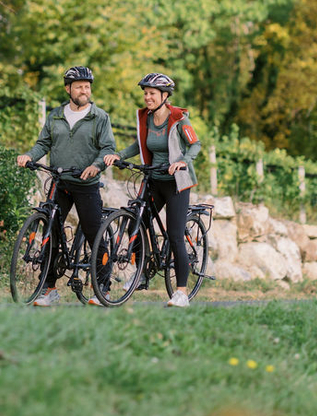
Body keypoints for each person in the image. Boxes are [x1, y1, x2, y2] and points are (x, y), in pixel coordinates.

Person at [17, 66, 115, 306]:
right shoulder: (55, 115)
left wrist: (96, 165)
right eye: (80, 86)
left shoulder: (99, 116)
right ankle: (48, 288)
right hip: (60, 182)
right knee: (50, 234)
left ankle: (104, 288)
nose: (85, 91)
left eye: (88, 86)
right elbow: (44, 143)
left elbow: (108, 149)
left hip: (86, 184)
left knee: (95, 234)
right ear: (68, 89)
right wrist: (30, 155)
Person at [103, 72, 201, 308]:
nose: (147, 97)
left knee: (175, 235)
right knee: (136, 219)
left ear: (165, 96)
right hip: (153, 179)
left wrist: (183, 161)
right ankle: (142, 272)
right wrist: (119, 155)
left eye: (152, 94)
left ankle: (181, 293)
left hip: (176, 182)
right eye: (145, 93)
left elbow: (195, 144)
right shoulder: (146, 118)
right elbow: (140, 144)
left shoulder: (178, 118)